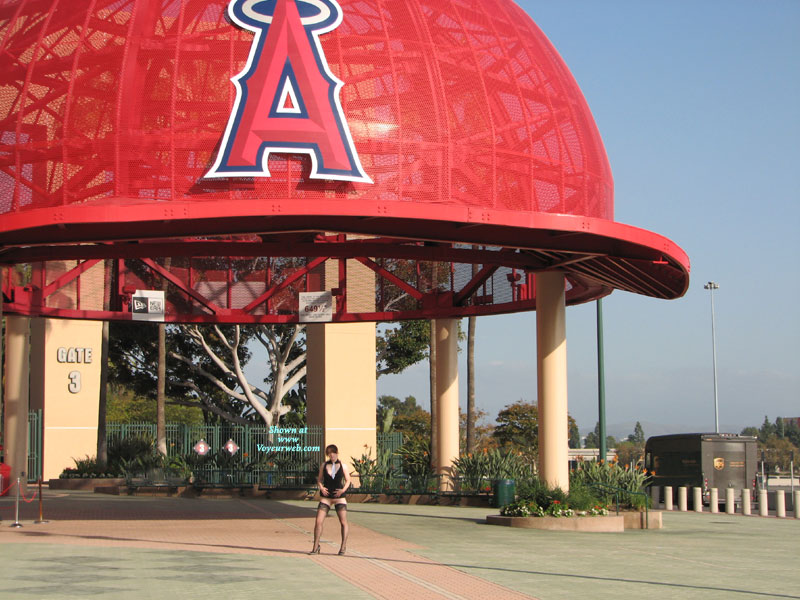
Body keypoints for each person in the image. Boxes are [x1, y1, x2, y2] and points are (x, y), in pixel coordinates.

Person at [310, 444, 352, 555]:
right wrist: (321, 487)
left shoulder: (343, 466)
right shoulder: (324, 465)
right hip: (326, 497)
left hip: (339, 498)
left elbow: (348, 480)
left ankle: (343, 546)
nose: (331, 455)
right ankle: (315, 546)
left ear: (337, 453)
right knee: (318, 521)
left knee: (343, 522)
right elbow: (319, 479)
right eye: (329, 454)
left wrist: (342, 490)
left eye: (333, 453)